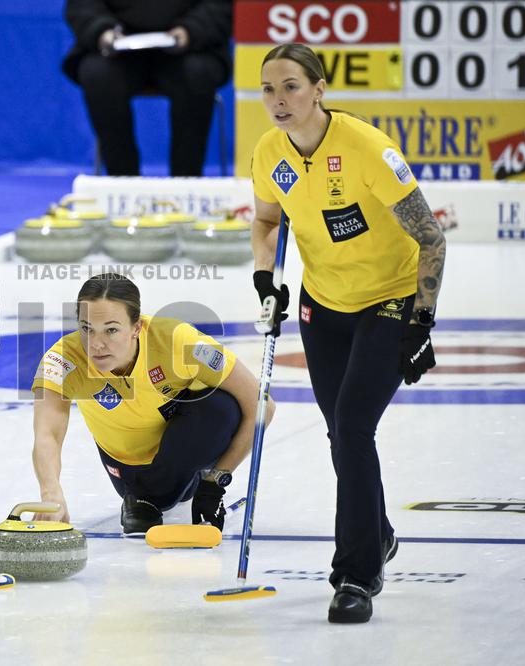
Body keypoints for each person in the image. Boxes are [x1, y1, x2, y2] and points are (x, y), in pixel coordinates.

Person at [250, 43, 446, 623]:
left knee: (354, 427)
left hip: (390, 298)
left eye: (290, 86)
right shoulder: (268, 152)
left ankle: (356, 574)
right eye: (268, 89)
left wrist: (423, 319)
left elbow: (431, 238)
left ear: (318, 89)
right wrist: (266, 279)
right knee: (340, 433)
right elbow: (266, 220)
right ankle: (377, 530)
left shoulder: (368, 149)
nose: (278, 100)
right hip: (323, 303)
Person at [30, 273, 273, 536]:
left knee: (222, 407)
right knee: (159, 497)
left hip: (187, 449)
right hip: (129, 469)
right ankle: (144, 497)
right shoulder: (62, 360)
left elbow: (263, 405)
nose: (96, 344)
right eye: (87, 328)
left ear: (136, 327)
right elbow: (47, 435)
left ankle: (172, 490)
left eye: (111, 330)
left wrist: (216, 482)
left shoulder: (179, 341)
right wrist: (50, 492)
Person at [62, 0, 232, 176]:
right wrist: (103, 31)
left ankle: (187, 182)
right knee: (97, 74)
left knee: (198, 74)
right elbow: (82, 5)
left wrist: (190, 30)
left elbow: (219, 5)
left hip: (189, 47)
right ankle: (122, 182)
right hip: (118, 49)